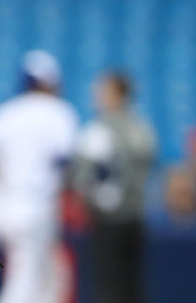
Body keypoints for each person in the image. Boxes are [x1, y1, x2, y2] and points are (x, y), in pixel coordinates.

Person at [0, 50, 79, 303]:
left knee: (42, 278)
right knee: (26, 281)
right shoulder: (59, 111)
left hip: (6, 203)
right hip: (37, 205)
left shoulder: (9, 112)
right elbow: (68, 158)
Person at [72, 71, 155, 303]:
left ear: (117, 94)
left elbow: (83, 180)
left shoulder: (98, 130)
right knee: (132, 284)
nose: (97, 97)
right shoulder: (141, 128)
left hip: (107, 219)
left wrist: (91, 200)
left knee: (110, 285)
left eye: (103, 92)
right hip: (135, 216)